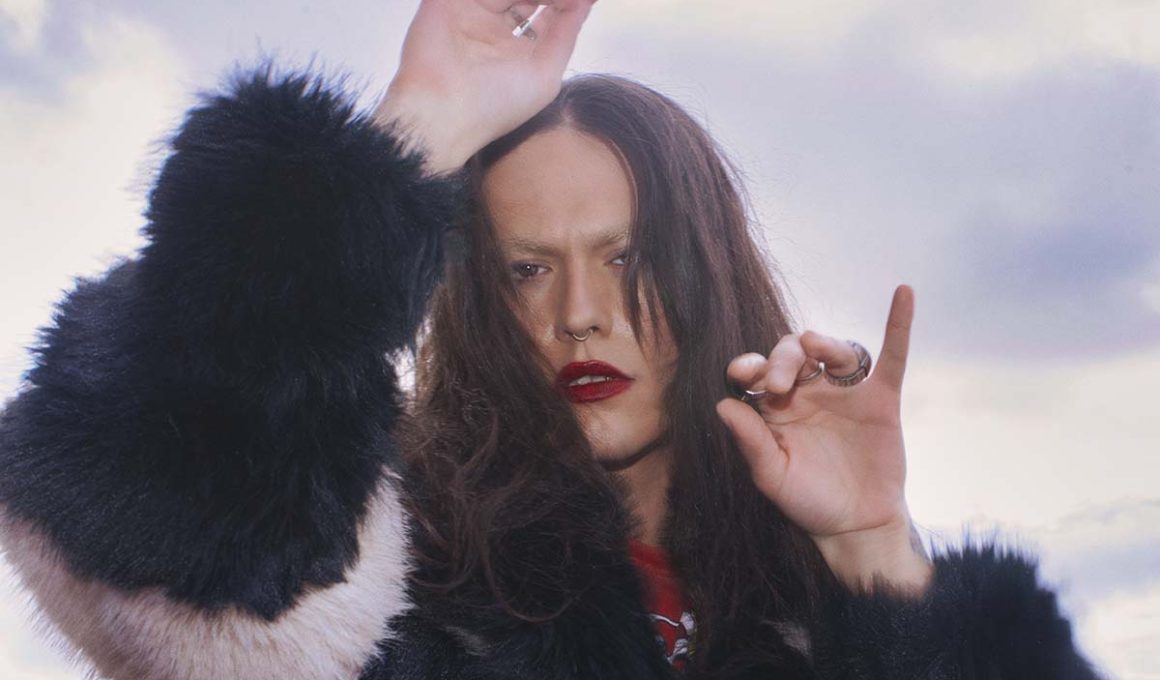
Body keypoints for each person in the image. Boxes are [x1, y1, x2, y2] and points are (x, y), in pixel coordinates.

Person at [0, 1, 1101, 678]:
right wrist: (419, 127)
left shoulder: (820, 606)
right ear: (478, 300)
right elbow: (135, 500)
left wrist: (872, 551)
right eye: (527, 268)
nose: (580, 311)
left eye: (626, 258)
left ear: (705, 271)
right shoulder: (391, 588)